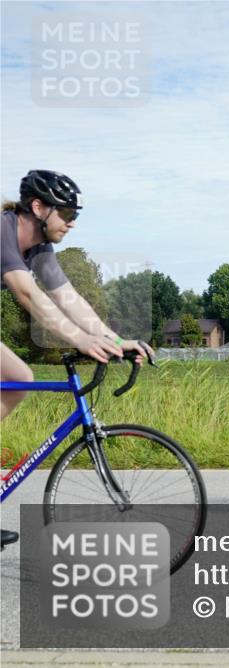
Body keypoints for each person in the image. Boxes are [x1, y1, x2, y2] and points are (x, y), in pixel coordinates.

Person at [1, 170, 149, 550]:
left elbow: (69, 299)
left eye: (75, 216)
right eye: (67, 213)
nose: (71, 223)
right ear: (38, 207)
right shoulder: (3, 230)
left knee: (19, 378)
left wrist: (115, 341)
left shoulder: (39, 250)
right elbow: (29, 296)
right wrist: (82, 341)